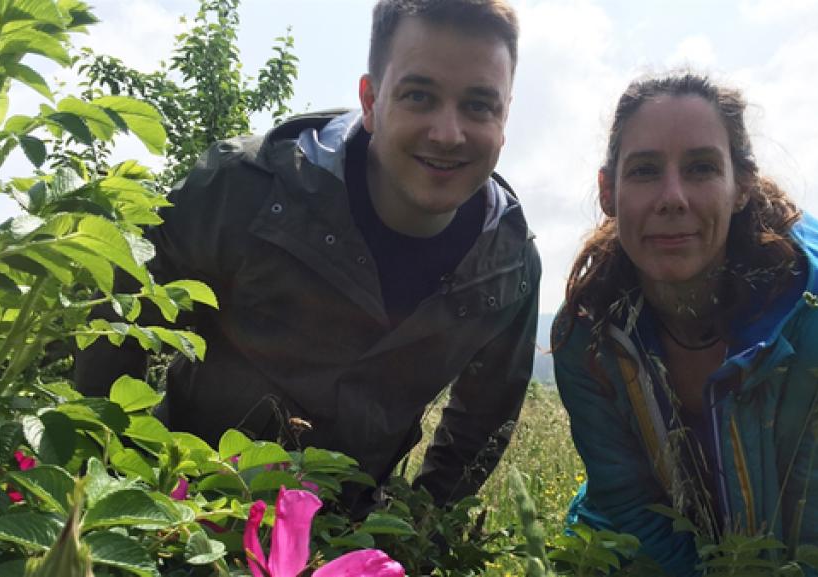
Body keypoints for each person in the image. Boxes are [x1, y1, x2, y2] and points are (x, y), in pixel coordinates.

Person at [76, 0, 540, 511]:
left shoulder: (509, 264)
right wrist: (117, 486)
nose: (448, 133)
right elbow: (118, 321)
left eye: (478, 105)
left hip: (345, 538)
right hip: (183, 513)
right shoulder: (242, 186)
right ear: (370, 99)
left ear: (506, 115)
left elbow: (485, 418)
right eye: (418, 96)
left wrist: (419, 526)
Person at [552, 72, 818, 576]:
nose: (672, 197)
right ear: (608, 191)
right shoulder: (590, 334)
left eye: (701, 168)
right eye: (644, 171)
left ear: (741, 187)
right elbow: (627, 511)